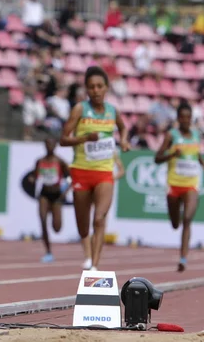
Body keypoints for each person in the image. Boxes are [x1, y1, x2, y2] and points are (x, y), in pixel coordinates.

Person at [60, 66, 129, 271]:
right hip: (81, 171)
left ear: (107, 87)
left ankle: (94, 267)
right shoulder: (80, 109)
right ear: (87, 90)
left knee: (99, 219)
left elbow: (123, 128)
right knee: (83, 225)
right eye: (91, 87)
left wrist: (123, 141)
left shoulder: (112, 111)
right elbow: (63, 139)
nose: (96, 90)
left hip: (104, 172)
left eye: (100, 86)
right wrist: (84, 138)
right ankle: (88, 253)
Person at [154, 101, 204, 273]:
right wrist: (172, 153)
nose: (186, 120)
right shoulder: (171, 135)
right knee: (175, 223)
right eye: (183, 117)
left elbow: (196, 153)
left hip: (191, 184)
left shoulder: (196, 135)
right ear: (178, 119)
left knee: (187, 219)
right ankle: (175, 216)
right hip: (174, 185)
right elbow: (157, 158)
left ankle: (183, 259)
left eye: (189, 117)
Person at [29, 137, 70, 263]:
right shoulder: (39, 161)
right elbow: (35, 176)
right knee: (42, 220)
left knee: (57, 228)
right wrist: (33, 179)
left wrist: (65, 191)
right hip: (44, 194)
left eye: (51, 144)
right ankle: (48, 252)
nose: (49, 147)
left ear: (55, 146)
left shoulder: (60, 162)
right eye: (47, 144)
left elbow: (70, 177)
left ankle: (55, 224)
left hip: (57, 195)